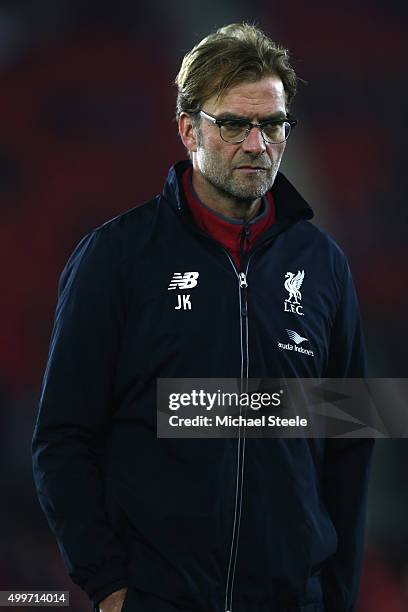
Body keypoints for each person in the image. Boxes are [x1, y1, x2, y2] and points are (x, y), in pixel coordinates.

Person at [32, 23, 374, 612]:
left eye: (272, 125)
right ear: (188, 128)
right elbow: (62, 439)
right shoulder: (116, 258)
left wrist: (335, 596)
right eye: (235, 124)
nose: (257, 144)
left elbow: (349, 442)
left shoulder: (324, 266)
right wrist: (109, 587)